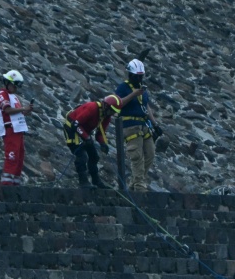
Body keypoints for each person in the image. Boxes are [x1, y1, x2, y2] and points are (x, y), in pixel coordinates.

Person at [62, 90, 143, 188]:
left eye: (114, 112)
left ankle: (96, 181)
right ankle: (83, 182)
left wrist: (103, 143)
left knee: (94, 156)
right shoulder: (92, 108)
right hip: (72, 128)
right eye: (112, 110)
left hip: (84, 132)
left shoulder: (106, 116)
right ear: (106, 106)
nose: (112, 113)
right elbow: (75, 124)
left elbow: (100, 133)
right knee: (81, 155)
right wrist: (86, 137)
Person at [115, 59, 163, 192]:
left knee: (150, 153)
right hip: (130, 126)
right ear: (130, 75)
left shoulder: (142, 89)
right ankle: (139, 186)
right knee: (137, 156)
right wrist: (133, 94)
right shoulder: (123, 88)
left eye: (141, 77)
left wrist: (155, 124)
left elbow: (145, 106)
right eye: (136, 77)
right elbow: (118, 103)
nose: (139, 79)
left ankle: (134, 181)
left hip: (143, 125)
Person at [0, 69, 33, 185]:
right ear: (9, 83)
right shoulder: (2, 95)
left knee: (19, 158)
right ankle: (6, 184)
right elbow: (7, 110)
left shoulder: (14, 97)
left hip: (18, 129)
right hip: (10, 129)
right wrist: (23, 108)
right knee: (12, 157)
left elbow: (17, 112)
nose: (16, 89)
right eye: (15, 86)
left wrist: (27, 110)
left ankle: (15, 182)